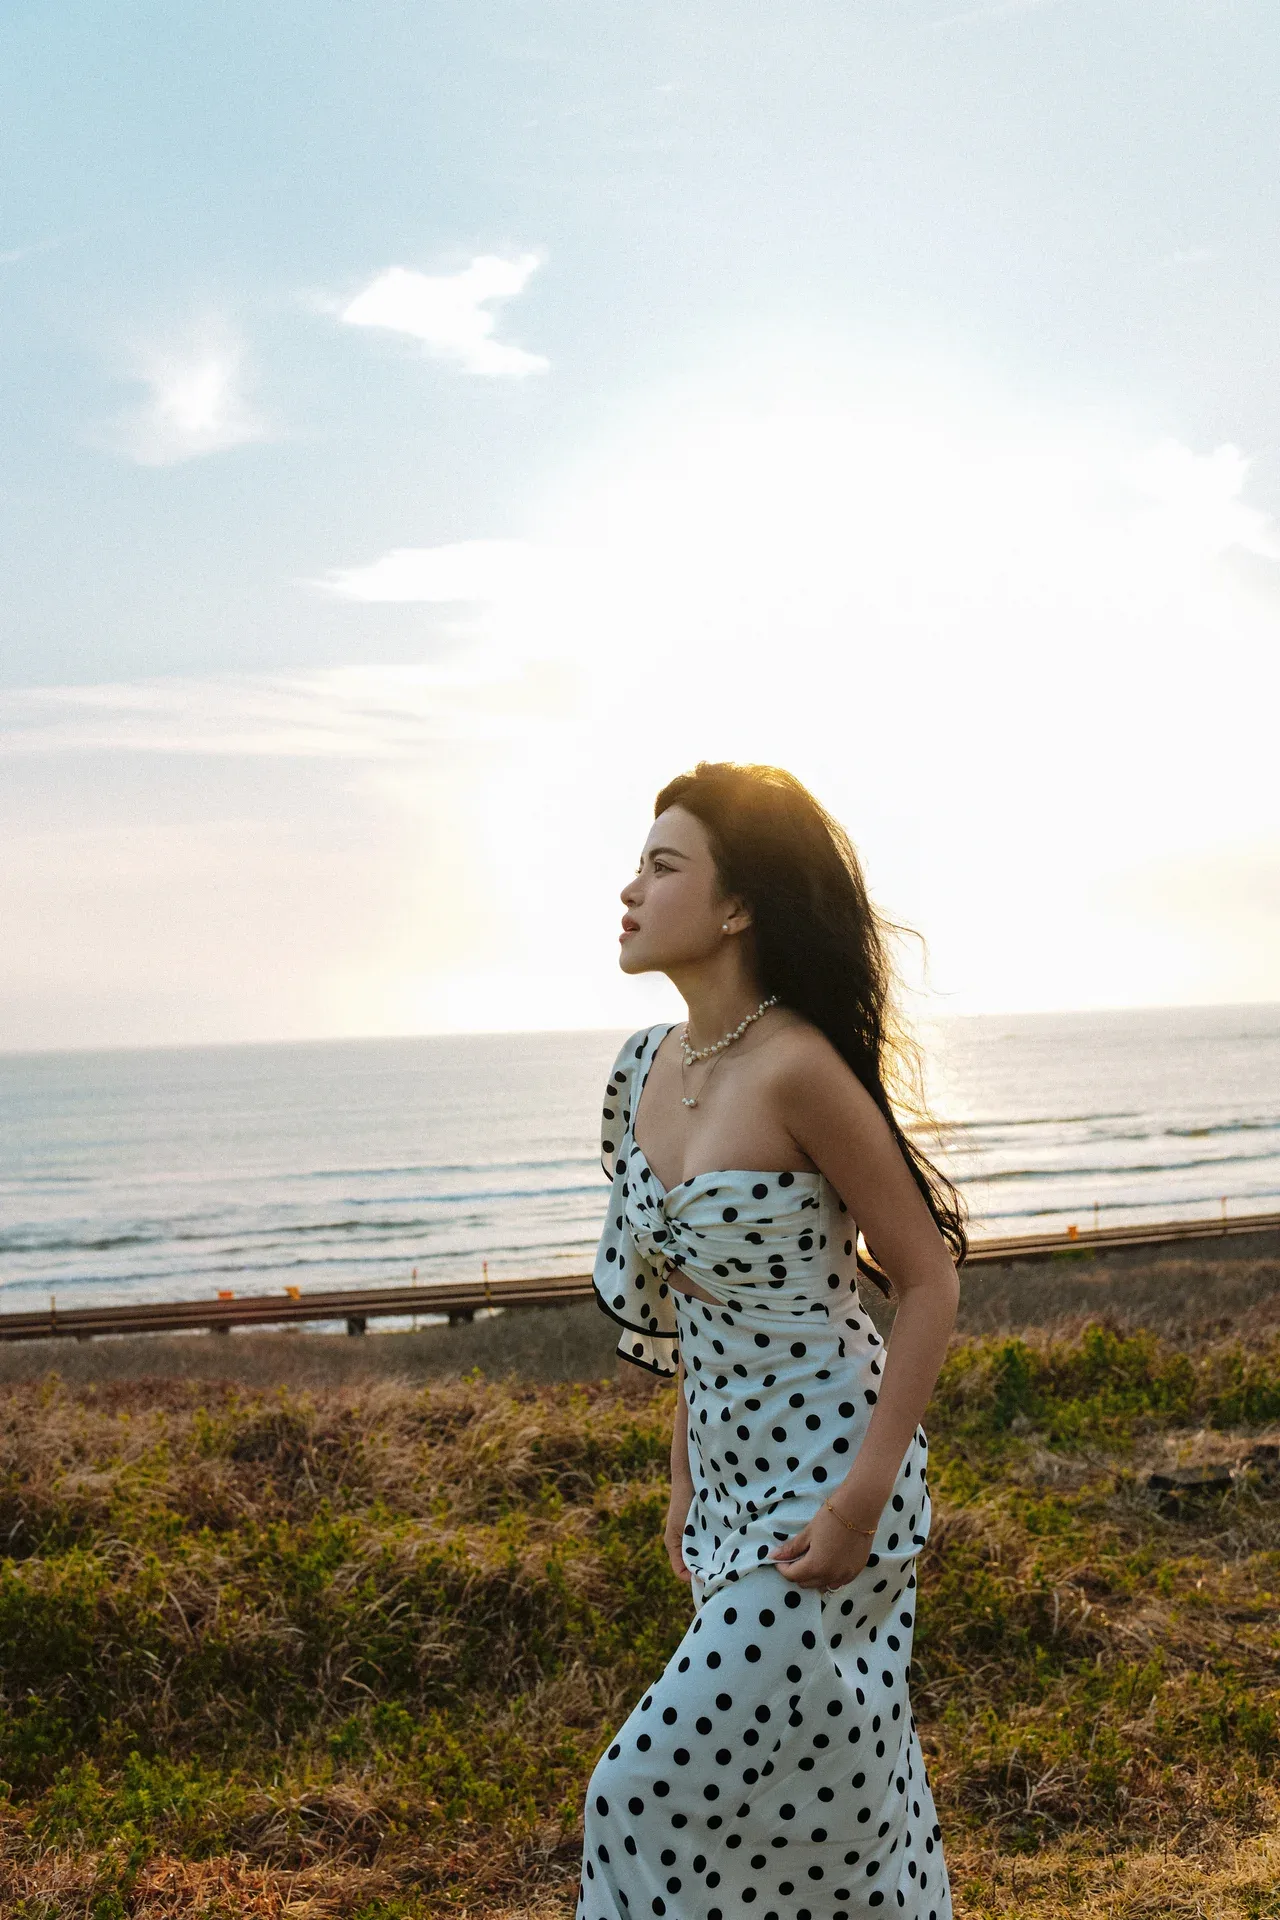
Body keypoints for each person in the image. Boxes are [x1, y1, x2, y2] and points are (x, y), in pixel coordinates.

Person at [577, 761, 962, 1920]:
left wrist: (859, 1498)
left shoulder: (798, 1065)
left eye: (662, 865)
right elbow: (689, 1309)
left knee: (634, 1794)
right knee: (824, 1810)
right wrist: (683, 1482)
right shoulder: (642, 1071)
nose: (629, 888)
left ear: (737, 905)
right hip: (731, 1497)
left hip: (827, 1485)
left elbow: (928, 1279)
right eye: (637, 863)